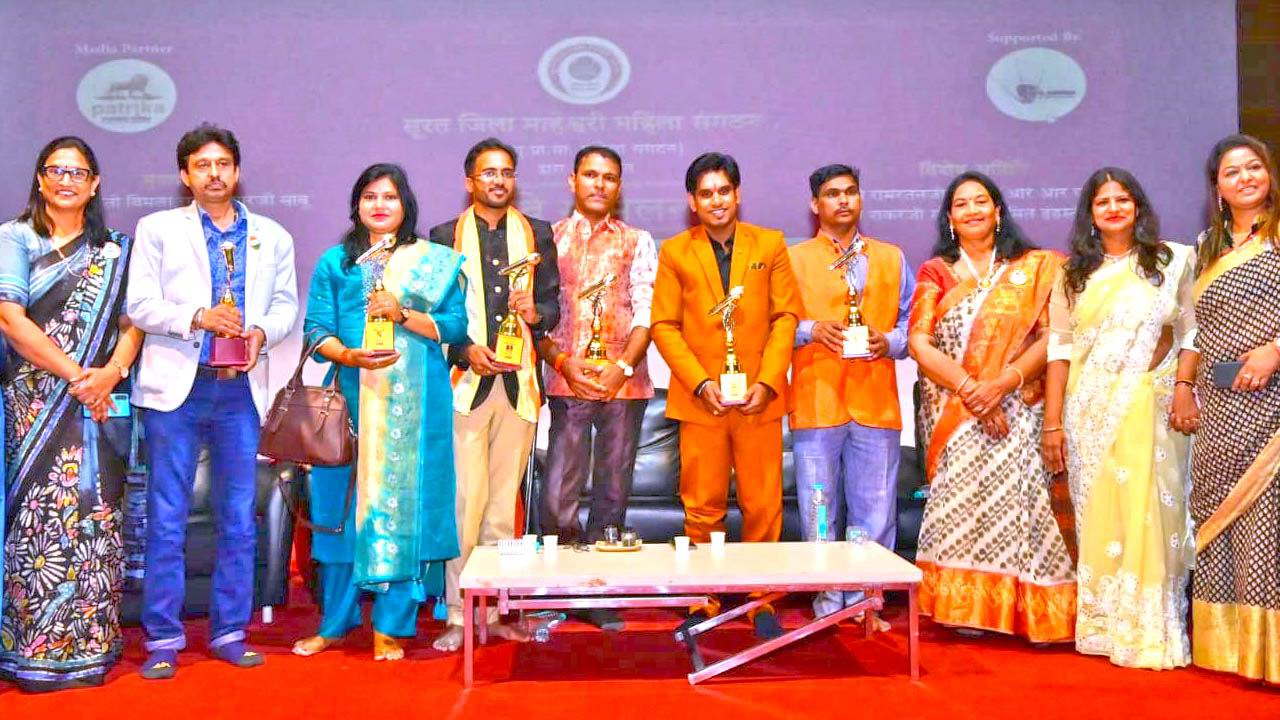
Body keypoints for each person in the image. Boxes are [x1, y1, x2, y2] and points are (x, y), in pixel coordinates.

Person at [127, 124, 298, 679]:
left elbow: (285, 306)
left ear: (237, 171)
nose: (214, 173)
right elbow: (139, 305)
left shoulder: (272, 235)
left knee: (238, 518)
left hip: (239, 391)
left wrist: (261, 333)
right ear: (185, 175)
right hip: (176, 388)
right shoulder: (157, 229)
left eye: (223, 163)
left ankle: (229, 632)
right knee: (167, 518)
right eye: (202, 165)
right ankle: (162, 637)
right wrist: (197, 317)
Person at [292, 164, 465, 661]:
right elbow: (316, 329)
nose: (380, 205)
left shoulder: (432, 261)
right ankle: (335, 622)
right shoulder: (337, 262)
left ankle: (392, 625)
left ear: (405, 205)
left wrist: (403, 314)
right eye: (370, 196)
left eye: (390, 197)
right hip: (349, 403)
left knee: (406, 509)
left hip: (417, 407)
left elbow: (456, 327)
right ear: (357, 205)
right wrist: (348, 356)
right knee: (342, 516)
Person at [0, 136, 142, 691]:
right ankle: (32, 651)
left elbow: (133, 323)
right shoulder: (14, 238)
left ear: (95, 183)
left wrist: (110, 373)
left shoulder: (116, 250)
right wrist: (79, 376)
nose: (66, 180)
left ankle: (91, 648)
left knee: (96, 516)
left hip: (100, 405)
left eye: (78, 172)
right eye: (56, 170)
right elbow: (10, 318)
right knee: (37, 521)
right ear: (40, 179)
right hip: (34, 402)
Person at [908, 171, 1075, 643]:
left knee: (1024, 511)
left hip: (1020, 407)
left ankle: (1027, 613)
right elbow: (920, 342)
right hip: (957, 412)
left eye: (981, 201)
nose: (972, 210)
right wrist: (972, 391)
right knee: (960, 510)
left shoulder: (1037, 267)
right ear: (949, 217)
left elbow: (1053, 337)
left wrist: (1001, 385)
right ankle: (966, 607)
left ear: (998, 210)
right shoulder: (936, 272)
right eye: (961, 204)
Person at [1042, 168, 1195, 669]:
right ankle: (1106, 626)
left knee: (1148, 511)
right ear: (1090, 213)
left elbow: (1190, 333)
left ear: (1138, 206)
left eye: (1123, 199)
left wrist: (1182, 386)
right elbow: (1060, 349)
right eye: (1103, 201)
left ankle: (1150, 633)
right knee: (1103, 514)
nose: (1113, 208)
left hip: (1148, 404)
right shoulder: (1072, 275)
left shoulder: (1172, 261)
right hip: (1089, 411)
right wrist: (1053, 422)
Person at [651, 152, 802, 639]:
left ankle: (763, 599)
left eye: (723, 191)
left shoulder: (770, 243)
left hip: (759, 398)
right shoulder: (675, 251)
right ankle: (704, 596)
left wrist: (768, 380)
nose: (716, 201)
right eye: (706, 193)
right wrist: (700, 383)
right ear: (692, 202)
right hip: (702, 400)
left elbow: (786, 317)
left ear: (738, 194)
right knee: (702, 505)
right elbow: (664, 325)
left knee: (763, 506)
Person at [428, 137, 560, 652]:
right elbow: (437, 313)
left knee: (504, 510)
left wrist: (535, 313)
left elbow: (552, 306)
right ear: (470, 181)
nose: (498, 180)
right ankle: (459, 614)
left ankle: (498, 612)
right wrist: (464, 350)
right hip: (467, 385)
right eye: (489, 173)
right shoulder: (443, 236)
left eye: (506, 172)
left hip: (519, 385)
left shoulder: (538, 233)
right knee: (466, 504)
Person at [788, 164, 914, 627]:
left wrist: (891, 341)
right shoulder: (794, 259)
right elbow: (774, 322)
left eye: (850, 192)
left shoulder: (891, 257)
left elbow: (914, 322)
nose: (842, 200)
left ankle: (867, 605)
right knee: (819, 512)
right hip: (816, 401)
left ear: (860, 199)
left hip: (875, 402)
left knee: (875, 514)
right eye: (832, 193)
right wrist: (810, 329)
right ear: (814, 204)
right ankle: (828, 606)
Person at [536, 146, 656, 632]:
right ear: (572, 181)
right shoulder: (548, 240)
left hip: (624, 385)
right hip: (566, 379)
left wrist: (621, 367)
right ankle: (560, 589)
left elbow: (647, 312)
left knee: (612, 492)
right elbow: (537, 318)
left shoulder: (637, 240)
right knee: (558, 494)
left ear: (619, 186)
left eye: (609, 177)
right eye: (590, 175)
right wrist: (563, 363)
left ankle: (599, 592)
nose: (599, 184)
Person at [1174, 133, 1280, 684]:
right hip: (1218, 405)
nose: (1245, 178)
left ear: (1269, 174)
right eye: (1231, 172)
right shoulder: (1207, 247)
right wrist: (1183, 384)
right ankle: (1229, 649)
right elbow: (1194, 328)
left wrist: (1275, 350)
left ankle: (1271, 654)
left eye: (1253, 167)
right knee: (1219, 516)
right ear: (1216, 188)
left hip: (1273, 402)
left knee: (1268, 519)